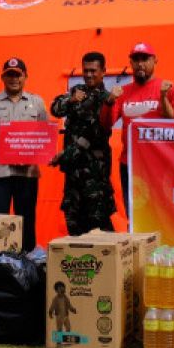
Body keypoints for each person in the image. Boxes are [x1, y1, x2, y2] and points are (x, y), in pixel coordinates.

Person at [0, 57, 50, 250]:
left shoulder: (37, 102)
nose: (13, 79)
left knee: (26, 221)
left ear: (25, 77)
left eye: (17, 75)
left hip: (27, 174)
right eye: (9, 75)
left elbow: (45, 135)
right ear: (3, 77)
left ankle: (27, 264)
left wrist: (47, 153)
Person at [50, 53, 116, 237]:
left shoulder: (107, 99)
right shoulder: (77, 91)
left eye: (93, 71)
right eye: (85, 70)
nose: (88, 75)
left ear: (103, 72)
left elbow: (94, 135)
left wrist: (64, 155)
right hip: (73, 175)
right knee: (73, 223)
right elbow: (55, 108)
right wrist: (70, 100)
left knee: (100, 227)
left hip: (94, 175)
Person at [107, 42, 164, 222]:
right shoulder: (123, 92)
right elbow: (106, 123)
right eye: (136, 60)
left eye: (145, 59)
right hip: (130, 164)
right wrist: (109, 101)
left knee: (161, 214)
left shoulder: (166, 89)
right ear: (130, 63)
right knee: (135, 216)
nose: (140, 64)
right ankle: (138, 250)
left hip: (158, 164)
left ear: (155, 61)